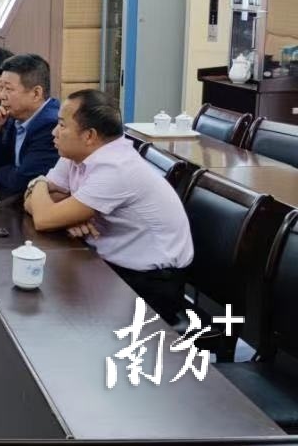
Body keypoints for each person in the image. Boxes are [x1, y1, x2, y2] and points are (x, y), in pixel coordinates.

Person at [25, 89, 193, 324]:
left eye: (62, 125)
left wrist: (38, 183)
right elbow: (32, 204)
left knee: (52, 312)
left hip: (149, 284)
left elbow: (42, 217)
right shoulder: (75, 154)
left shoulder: (116, 168)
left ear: (89, 135)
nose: (54, 132)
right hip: (108, 264)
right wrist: (63, 214)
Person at [0, 53, 60, 198]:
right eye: (1, 88)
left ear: (36, 93)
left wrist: (1, 170)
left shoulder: (52, 126)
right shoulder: (14, 116)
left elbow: (21, 182)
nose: (2, 96)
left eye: (8, 89)